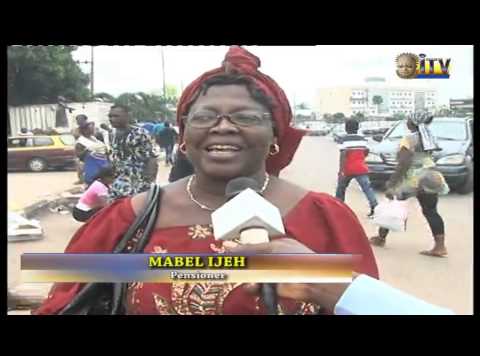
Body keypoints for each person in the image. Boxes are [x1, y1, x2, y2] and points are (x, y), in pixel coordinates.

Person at [34, 46, 379, 315]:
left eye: (245, 117)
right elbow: (61, 301)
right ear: (183, 136)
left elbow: (367, 305)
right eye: (205, 117)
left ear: (276, 134)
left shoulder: (325, 218)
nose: (224, 126)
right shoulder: (127, 217)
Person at [370, 112, 449, 257]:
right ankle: (440, 246)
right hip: (431, 175)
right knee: (431, 211)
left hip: (413, 178)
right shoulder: (429, 136)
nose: (406, 122)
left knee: (392, 204)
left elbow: (404, 163)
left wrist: (392, 183)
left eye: (408, 120)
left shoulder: (408, 139)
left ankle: (380, 238)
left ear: (413, 123)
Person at [107, 105, 159, 201]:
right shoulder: (112, 134)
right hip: (119, 183)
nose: (111, 119)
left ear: (127, 116)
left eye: (116, 116)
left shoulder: (140, 133)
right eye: (110, 116)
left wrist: (149, 182)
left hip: (138, 183)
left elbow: (152, 157)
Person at [335, 119, 378, 218]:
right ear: (358, 128)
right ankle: (375, 208)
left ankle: (338, 208)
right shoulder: (362, 139)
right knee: (367, 189)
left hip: (347, 169)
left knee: (341, 189)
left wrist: (341, 171)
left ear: (346, 128)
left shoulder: (343, 139)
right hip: (361, 168)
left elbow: (343, 155)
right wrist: (360, 158)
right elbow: (366, 151)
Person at [75, 119, 110, 187]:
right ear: (85, 130)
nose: (94, 129)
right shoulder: (81, 142)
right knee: (94, 186)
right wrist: (88, 152)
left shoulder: (94, 138)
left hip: (103, 165)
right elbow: (79, 155)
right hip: (92, 167)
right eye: (91, 128)